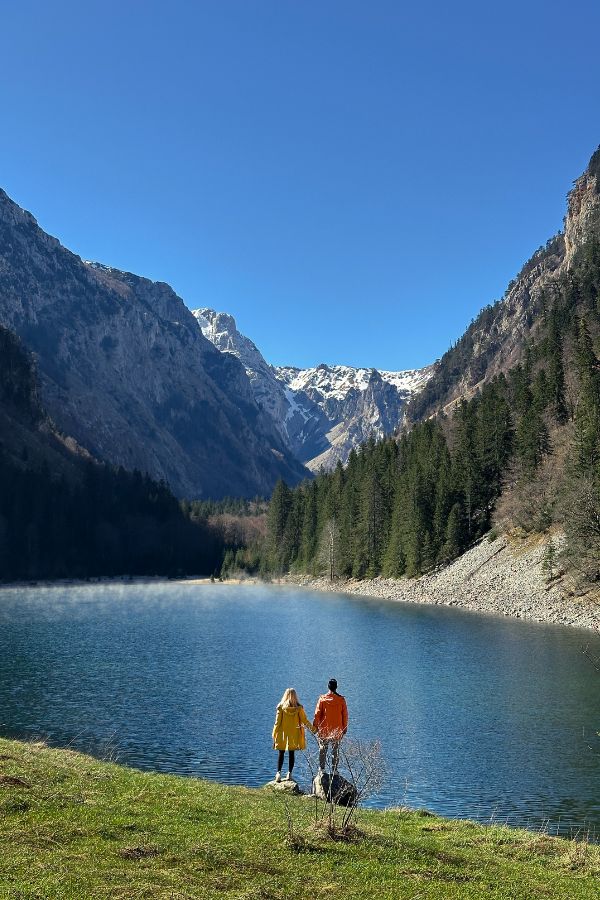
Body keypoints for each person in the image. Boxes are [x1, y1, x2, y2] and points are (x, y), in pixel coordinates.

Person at [272, 688, 315, 782]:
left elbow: (277, 722)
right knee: (291, 754)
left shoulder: (281, 707)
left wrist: (274, 733)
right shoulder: (299, 708)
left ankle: (278, 774)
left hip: (283, 733)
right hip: (294, 734)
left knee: (281, 753)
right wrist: (314, 730)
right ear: (295, 696)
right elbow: (305, 720)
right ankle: (289, 774)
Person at [313, 678, 348, 774]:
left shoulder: (322, 699)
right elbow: (345, 715)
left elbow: (317, 714)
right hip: (337, 729)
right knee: (335, 750)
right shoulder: (341, 700)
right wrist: (344, 727)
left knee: (323, 748)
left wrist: (315, 726)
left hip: (325, 728)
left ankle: (322, 769)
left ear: (328, 686)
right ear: (336, 687)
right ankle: (334, 770)